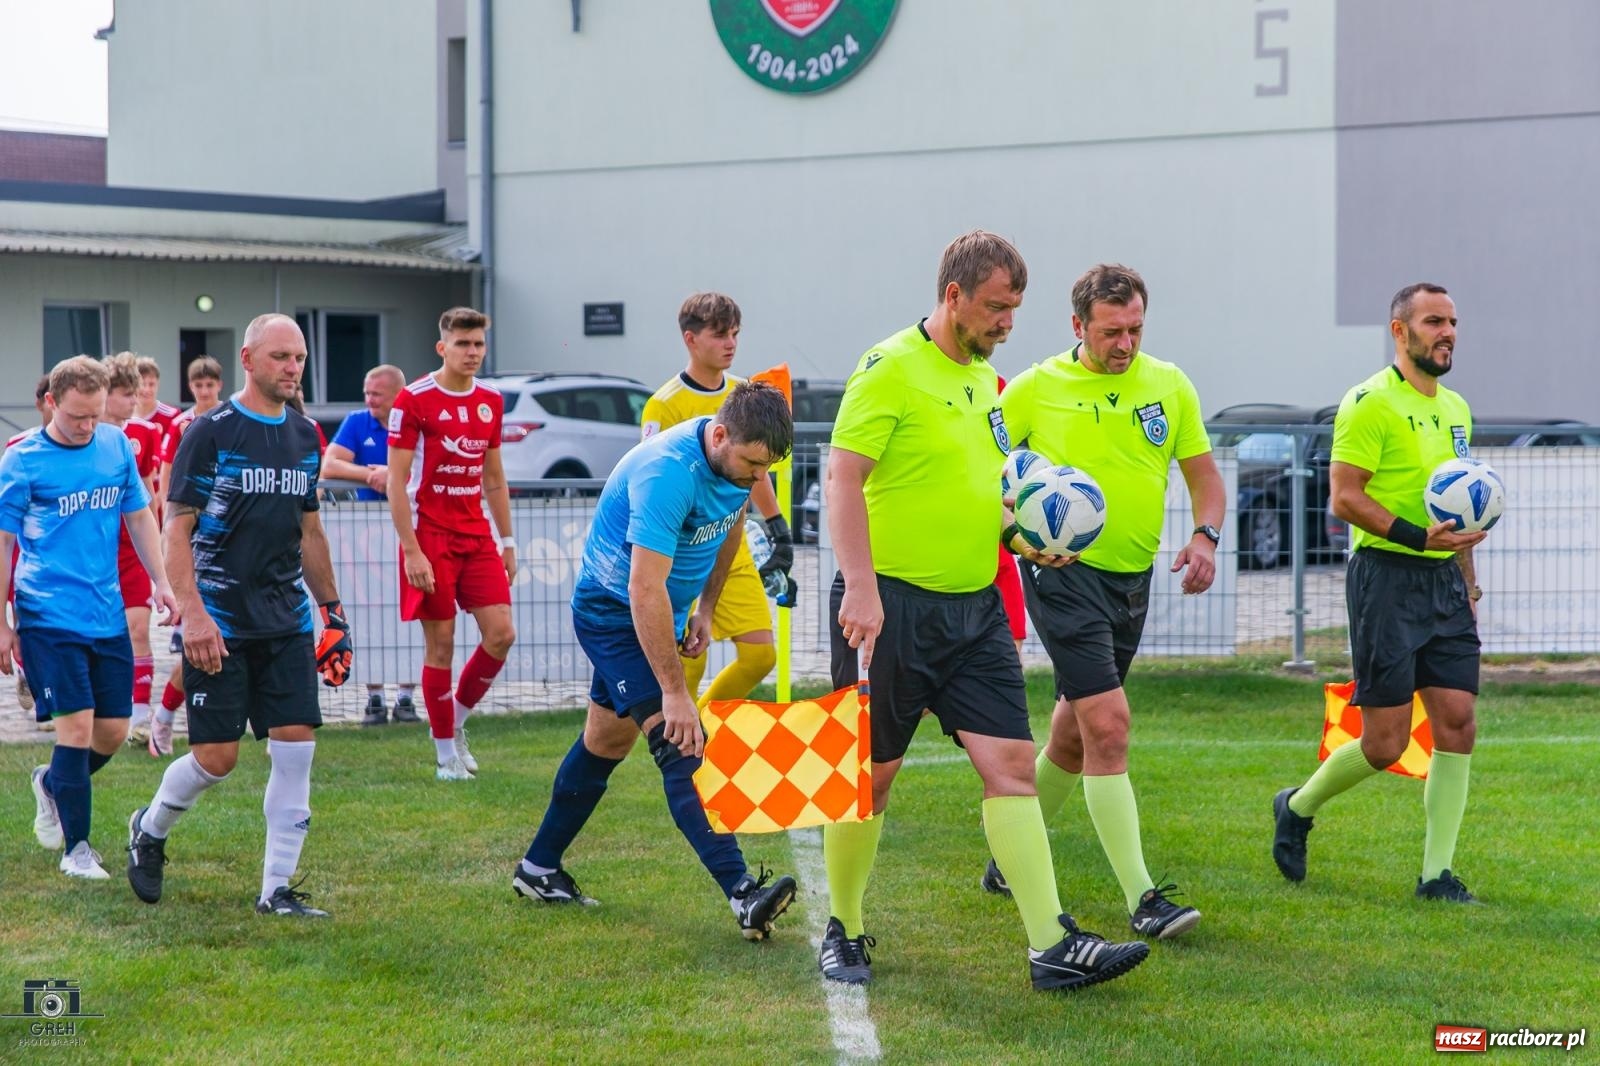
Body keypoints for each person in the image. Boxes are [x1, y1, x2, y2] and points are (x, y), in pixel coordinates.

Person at [820, 230, 1148, 991]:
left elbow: (981, 488)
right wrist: (861, 587)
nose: (1008, 323)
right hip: (891, 608)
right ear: (954, 295)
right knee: (870, 778)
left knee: (1011, 769)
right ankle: (845, 926)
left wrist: (1023, 537)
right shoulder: (889, 367)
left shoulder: (984, 383)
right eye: (997, 307)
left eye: (1015, 309)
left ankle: (1051, 945)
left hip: (976, 612)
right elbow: (842, 479)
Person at [985, 264, 1225, 941]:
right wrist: (1013, 531)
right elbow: (975, 469)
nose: (1126, 344)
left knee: (1073, 733)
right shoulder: (1034, 387)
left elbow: (1204, 479)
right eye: (1112, 332)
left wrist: (1205, 537)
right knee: (1110, 725)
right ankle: (1144, 898)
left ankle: (1007, 859)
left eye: (1135, 330)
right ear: (1078, 326)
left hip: (1131, 581)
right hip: (1062, 575)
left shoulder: (1169, 384)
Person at [514, 380, 799, 939]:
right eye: (751, 464)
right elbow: (643, 589)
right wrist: (674, 693)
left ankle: (537, 869)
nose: (756, 478)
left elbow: (730, 529)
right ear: (721, 435)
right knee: (679, 742)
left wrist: (706, 610)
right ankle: (743, 894)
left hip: (660, 610)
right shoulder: (666, 472)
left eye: (765, 469)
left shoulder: (739, 470)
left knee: (605, 741)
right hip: (612, 613)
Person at [124, 313, 352, 916]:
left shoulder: (304, 435)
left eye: (299, 358)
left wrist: (332, 613)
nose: (293, 368)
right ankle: (149, 828)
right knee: (217, 759)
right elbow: (176, 529)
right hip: (219, 624)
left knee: (297, 747)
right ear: (248, 360)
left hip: (286, 622)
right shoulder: (211, 431)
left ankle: (276, 890)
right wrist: (194, 615)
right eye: (281, 357)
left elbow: (310, 531)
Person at [1272, 282, 1486, 903]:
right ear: (1400, 330)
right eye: (1433, 321)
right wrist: (1419, 538)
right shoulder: (1368, 402)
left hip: (1444, 583)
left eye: (1452, 322)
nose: (1447, 333)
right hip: (1385, 581)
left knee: (1458, 721)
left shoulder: (1457, 409)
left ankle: (1436, 876)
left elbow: (1460, 509)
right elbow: (1344, 497)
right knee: (1385, 742)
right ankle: (1298, 805)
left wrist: (1469, 582)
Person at [0, 356, 177, 879]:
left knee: (113, 731)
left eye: (95, 416)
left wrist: (162, 581)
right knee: (75, 727)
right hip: (46, 615)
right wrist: (2, 623)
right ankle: (77, 850)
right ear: (51, 402)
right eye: (77, 416)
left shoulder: (115, 445)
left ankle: (52, 783)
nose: (87, 426)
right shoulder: (22, 459)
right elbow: (4, 544)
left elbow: (139, 516)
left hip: (106, 611)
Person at [640, 293, 792, 706]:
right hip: (683, 550)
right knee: (689, 658)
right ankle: (677, 739)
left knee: (760, 656)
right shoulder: (664, 404)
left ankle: (702, 726)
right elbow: (653, 481)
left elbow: (755, 469)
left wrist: (777, 525)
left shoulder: (744, 393)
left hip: (731, 542)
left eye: (735, 334)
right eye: (720, 334)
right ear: (690, 339)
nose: (731, 343)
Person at [386, 307, 516, 780]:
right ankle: (445, 757)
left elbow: (494, 478)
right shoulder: (414, 400)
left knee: (501, 634)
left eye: (478, 343)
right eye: (463, 344)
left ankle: (454, 723)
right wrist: (412, 550)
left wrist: (507, 541)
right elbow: (396, 482)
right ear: (443, 347)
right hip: (430, 537)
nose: (472, 352)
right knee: (441, 645)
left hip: (476, 535)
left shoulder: (491, 400)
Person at [323, 364, 418, 725]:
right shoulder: (357, 421)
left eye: (376, 394)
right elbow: (330, 464)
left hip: (411, 528)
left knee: (410, 611)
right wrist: (370, 474)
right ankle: (374, 697)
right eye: (366, 392)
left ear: (397, 395)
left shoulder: (415, 420)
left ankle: (406, 697)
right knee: (369, 611)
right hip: (367, 532)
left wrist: (394, 476)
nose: (369, 400)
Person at [147, 356, 225, 757]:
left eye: (210, 384)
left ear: (220, 385)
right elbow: (167, 476)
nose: (205, 391)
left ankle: (278, 729)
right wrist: (169, 526)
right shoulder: (181, 425)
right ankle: (164, 716)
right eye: (199, 385)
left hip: (235, 542)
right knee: (196, 642)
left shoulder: (235, 419)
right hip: (196, 541)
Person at [102, 353, 167, 749]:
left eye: (135, 392)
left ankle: (141, 717)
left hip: (132, 548)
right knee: (102, 632)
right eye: (126, 393)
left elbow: (148, 493)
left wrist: (158, 547)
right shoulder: (86, 435)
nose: (134, 400)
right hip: (97, 546)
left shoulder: (144, 433)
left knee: (138, 628)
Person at [5, 374, 50, 723]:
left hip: (55, 550)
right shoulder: (18, 446)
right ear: (41, 404)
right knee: (25, 619)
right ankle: (27, 670)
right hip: (24, 545)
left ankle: (45, 685)